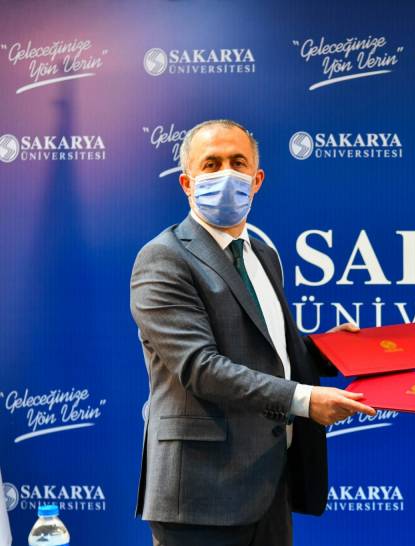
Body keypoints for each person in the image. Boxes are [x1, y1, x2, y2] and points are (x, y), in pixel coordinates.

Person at [130, 119, 375, 546]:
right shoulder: (163, 258)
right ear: (187, 183)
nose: (226, 173)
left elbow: (265, 349)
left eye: (237, 162)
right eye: (211, 164)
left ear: (256, 180)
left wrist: (326, 350)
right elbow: (200, 367)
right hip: (200, 495)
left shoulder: (262, 253)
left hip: (268, 484)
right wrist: (304, 400)